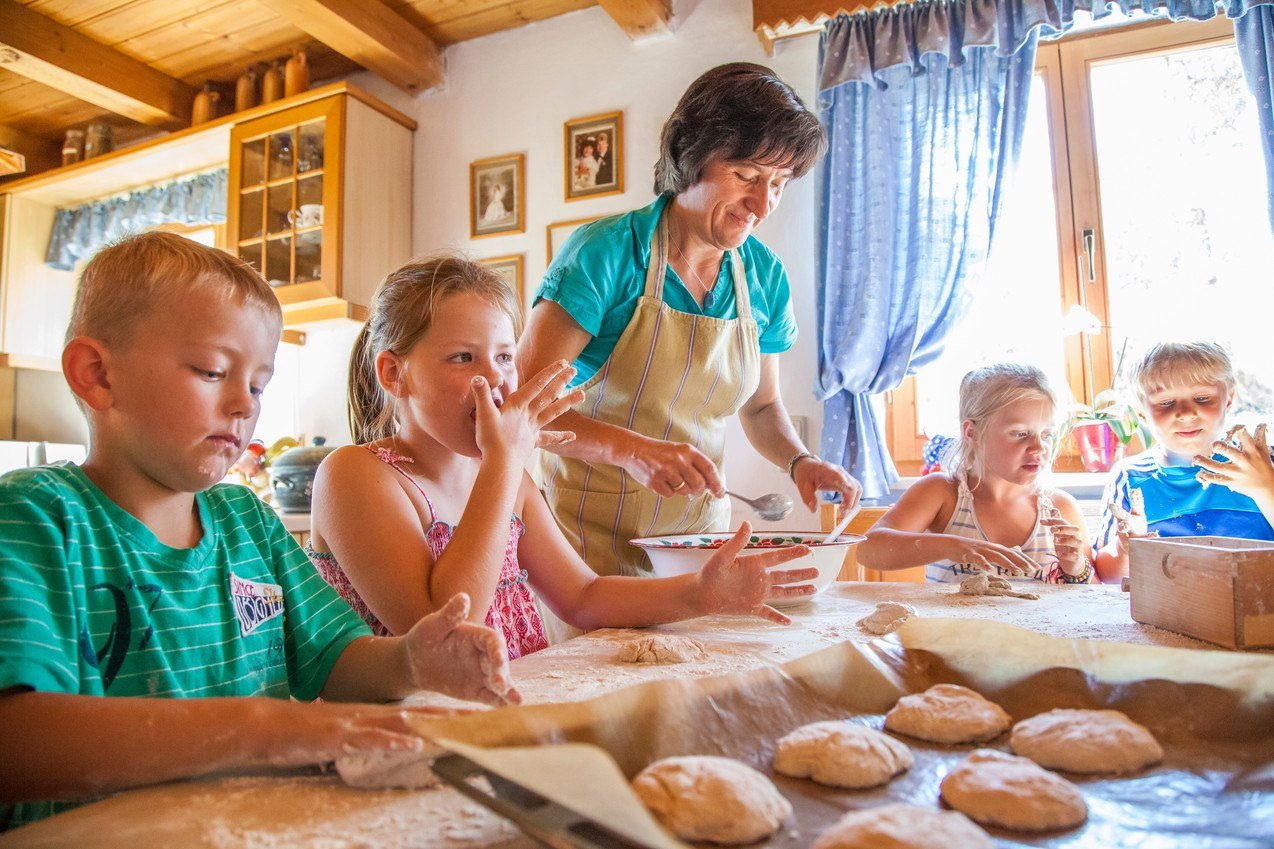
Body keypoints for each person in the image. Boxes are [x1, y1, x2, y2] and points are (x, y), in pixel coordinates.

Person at [0, 233, 518, 829]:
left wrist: (408, 662)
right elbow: (15, 741)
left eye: (257, 385)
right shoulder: (38, 521)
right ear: (97, 374)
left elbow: (336, 658)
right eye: (213, 371)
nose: (244, 406)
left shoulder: (247, 522)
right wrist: (262, 728)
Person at [307, 256, 820, 654]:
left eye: (505, 356)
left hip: (500, 717)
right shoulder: (355, 476)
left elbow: (584, 595)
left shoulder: (506, 480)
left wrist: (701, 594)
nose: (496, 379)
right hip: (400, 739)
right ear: (395, 374)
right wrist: (505, 464)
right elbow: (440, 630)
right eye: (463, 357)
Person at [518, 63, 862, 578]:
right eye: (746, 176)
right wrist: (632, 451)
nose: (763, 204)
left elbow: (763, 407)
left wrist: (799, 462)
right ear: (691, 156)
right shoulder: (606, 252)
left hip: (696, 546)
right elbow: (524, 407)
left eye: (779, 183)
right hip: (581, 544)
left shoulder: (764, 278)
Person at [858, 364, 1097, 584]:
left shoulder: (1061, 508)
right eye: (1020, 433)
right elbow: (868, 550)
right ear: (971, 433)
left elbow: (1091, 591)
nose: (1038, 447)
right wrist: (953, 546)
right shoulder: (943, 494)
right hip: (953, 632)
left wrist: (1075, 568)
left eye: (1046, 434)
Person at [1094, 342, 1274, 579]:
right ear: (1141, 412)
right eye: (1166, 402)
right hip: (1170, 612)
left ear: (1228, 399)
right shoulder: (1130, 476)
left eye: (1202, 397)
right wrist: (1126, 548)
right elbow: (1106, 577)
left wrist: (1266, 487)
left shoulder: (1261, 462)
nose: (1186, 413)